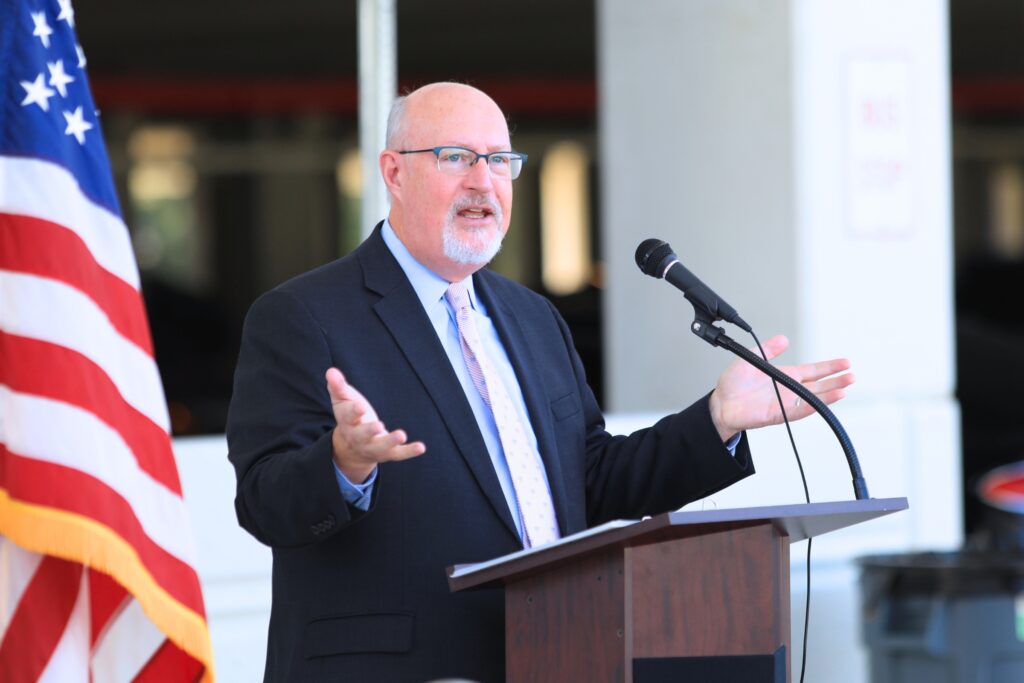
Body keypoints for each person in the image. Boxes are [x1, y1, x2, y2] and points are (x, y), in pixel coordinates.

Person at [226, 82, 853, 682]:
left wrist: (717, 418)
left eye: (500, 160)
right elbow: (263, 503)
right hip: (398, 667)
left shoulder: (530, 317)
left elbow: (591, 481)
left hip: (555, 654)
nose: (483, 181)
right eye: (456, 158)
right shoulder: (304, 316)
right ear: (394, 172)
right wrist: (344, 463)